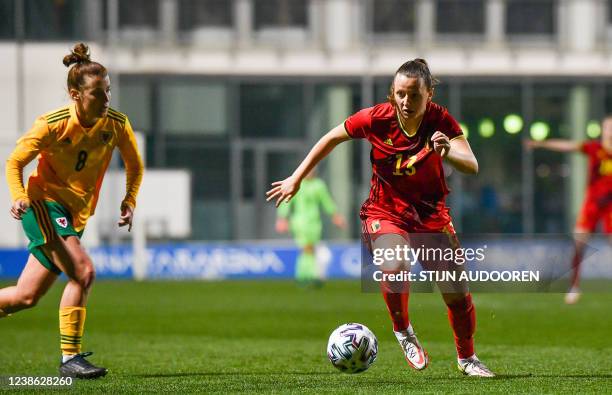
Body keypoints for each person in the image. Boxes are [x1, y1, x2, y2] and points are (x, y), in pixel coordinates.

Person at [267, 59, 494, 377]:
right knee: (395, 262)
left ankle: (467, 358)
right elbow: (331, 137)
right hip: (384, 211)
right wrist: (297, 177)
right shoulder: (376, 118)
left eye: (414, 94)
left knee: (456, 291)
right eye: (400, 93)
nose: (406, 101)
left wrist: (448, 152)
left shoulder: (440, 120)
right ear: (393, 93)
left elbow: (471, 164)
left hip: (430, 215)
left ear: (429, 93)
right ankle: (404, 333)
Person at [0, 43, 144, 378]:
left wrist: (129, 200)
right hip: (44, 206)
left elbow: (135, 166)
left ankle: (69, 358)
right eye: (98, 93)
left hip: (74, 215)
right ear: (75, 94)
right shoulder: (52, 124)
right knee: (83, 271)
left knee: (25, 297)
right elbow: (14, 162)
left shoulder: (117, 124)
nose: (106, 99)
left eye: (108, 91)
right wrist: (20, 195)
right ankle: (70, 359)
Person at [525, 119, 612, 304]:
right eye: (607, 127)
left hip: (611, 206)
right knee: (579, 243)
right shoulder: (594, 148)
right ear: (603, 130)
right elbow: (568, 146)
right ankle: (574, 287)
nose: (610, 130)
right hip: (593, 204)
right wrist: (542, 143)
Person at [275, 169, 346, 285]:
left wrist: (335, 215)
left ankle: (307, 275)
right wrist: (282, 218)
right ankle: (306, 275)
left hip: (315, 223)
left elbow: (326, 201)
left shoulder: (319, 185)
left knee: (311, 249)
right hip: (299, 222)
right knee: (306, 248)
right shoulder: (297, 184)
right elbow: (287, 201)